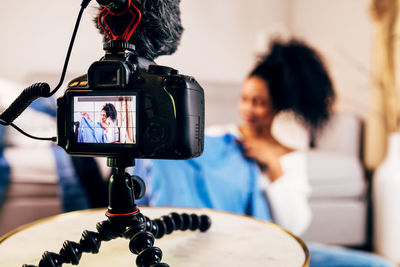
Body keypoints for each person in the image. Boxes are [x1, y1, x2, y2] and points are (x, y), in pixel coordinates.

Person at [133, 38, 395, 266]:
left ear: (277, 107)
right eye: (245, 99)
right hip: (215, 243)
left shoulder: (289, 155)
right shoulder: (220, 137)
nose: (248, 109)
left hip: (269, 245)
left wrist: (273, 165)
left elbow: (294, 225)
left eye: (259, 103)